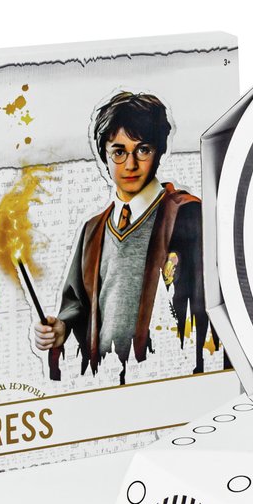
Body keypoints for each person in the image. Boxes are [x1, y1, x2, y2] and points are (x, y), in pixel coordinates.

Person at [32, 92, 214, 381]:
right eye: (118, 152)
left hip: (166, 375)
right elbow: (77, 304)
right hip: (106, 379)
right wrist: (61, 328)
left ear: (159, 151)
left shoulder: (186, 215)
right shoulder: (93, 230)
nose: (130, 164)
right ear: (104, 156)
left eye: (143, 150)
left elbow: (209, 309)